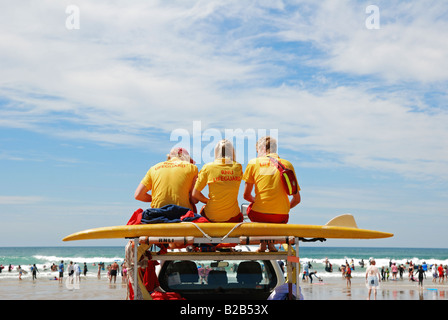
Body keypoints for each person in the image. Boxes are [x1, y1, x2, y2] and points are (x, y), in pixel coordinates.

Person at [243, 136, 301, 252]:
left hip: (259, 215)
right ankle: (270, 245)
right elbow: (297, 199)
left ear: (261, 149)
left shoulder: (254, 163)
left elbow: (246, 196)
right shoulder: (287, 164)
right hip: (281, 216)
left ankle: (262, 244)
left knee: (250, 209)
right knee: (273, 216)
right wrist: (283, 207)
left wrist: (260, 201)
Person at [192, 139, 244, 222]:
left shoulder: (208, 167)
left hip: (212, 215)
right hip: (232, 216)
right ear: (232, 152)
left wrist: (208, 201)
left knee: (203, 210)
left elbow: (195, 194)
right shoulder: (238, 167)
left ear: (216, 152)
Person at [135, 147, 198, 211]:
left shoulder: (154, 168)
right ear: (187, 158)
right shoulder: (192, 168)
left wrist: (160, 198)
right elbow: (194, 199)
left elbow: (138, 195)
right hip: (182, 213)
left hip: (158, 213)